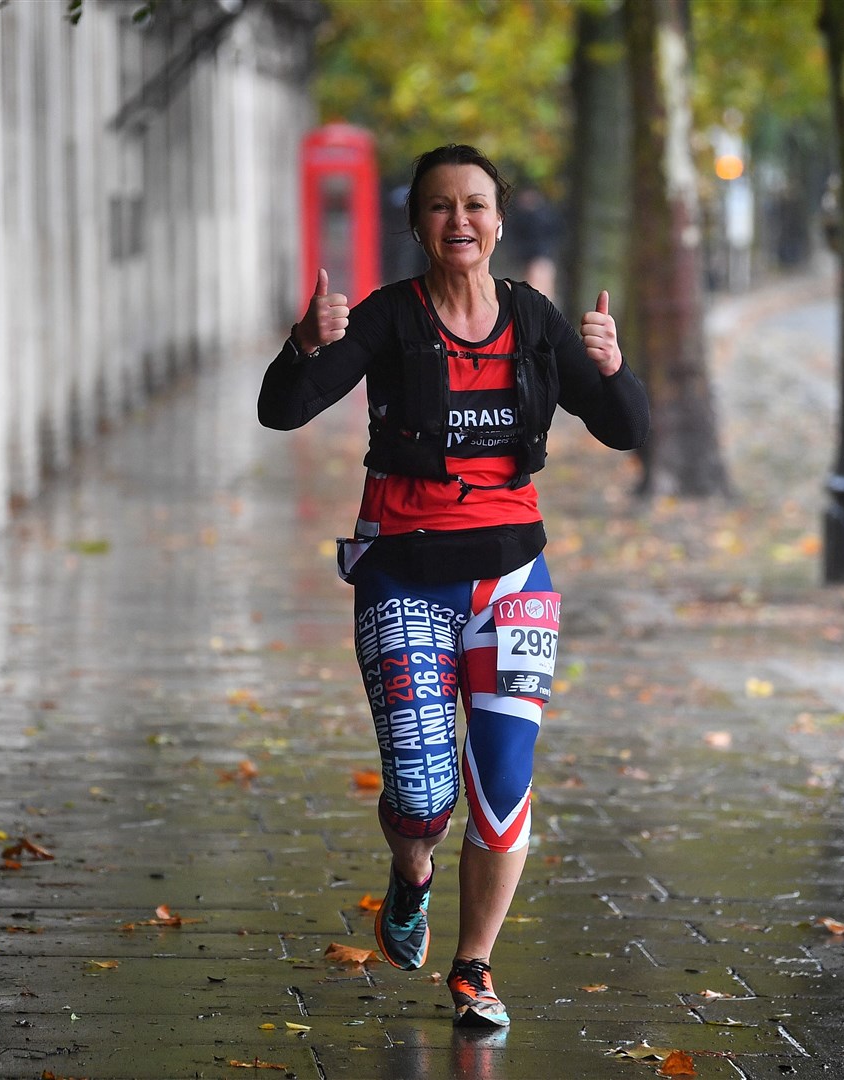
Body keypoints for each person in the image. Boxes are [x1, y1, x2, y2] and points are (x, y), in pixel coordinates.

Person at [258, 144, 649, 1028]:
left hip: (514, 582)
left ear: (499, 221)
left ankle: (473, 967)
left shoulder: (538, 319)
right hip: (404, 578)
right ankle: (410, 872)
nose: (459, 221)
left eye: (475, 205)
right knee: (424, 797)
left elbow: (625, 429)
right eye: (440, 206)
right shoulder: (389, 319)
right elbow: (283, 408)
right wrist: (303, 343)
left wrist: (615, 365)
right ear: (417, 224)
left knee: (502, 782)